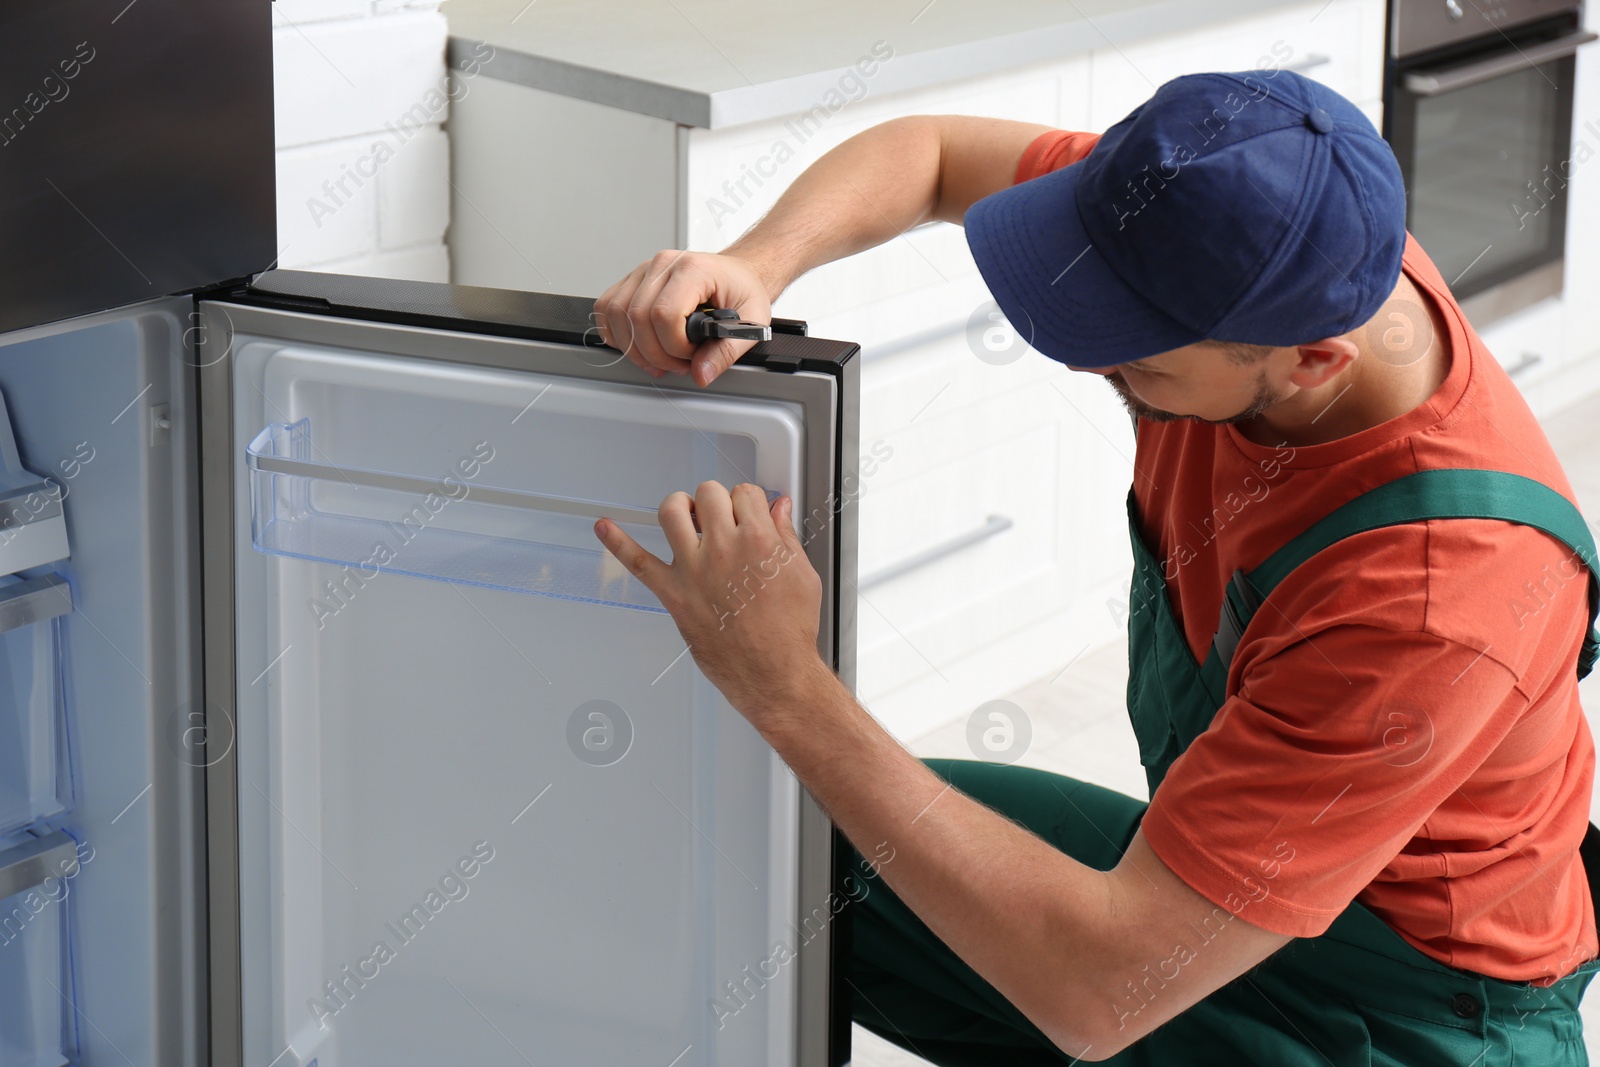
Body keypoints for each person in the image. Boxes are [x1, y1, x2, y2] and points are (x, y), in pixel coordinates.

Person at [589, 69, 1600, 1064]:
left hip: (1403, 1011)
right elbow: (931, 153)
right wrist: (760, 261)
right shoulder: (1232, 228)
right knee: (793, 840)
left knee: (1004, 922)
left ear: (1313, 361)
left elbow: (1103, 989)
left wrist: (785, 683)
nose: (1085, 358)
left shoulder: (1429, 598)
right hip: (1228, 900)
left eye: (1136, 355)